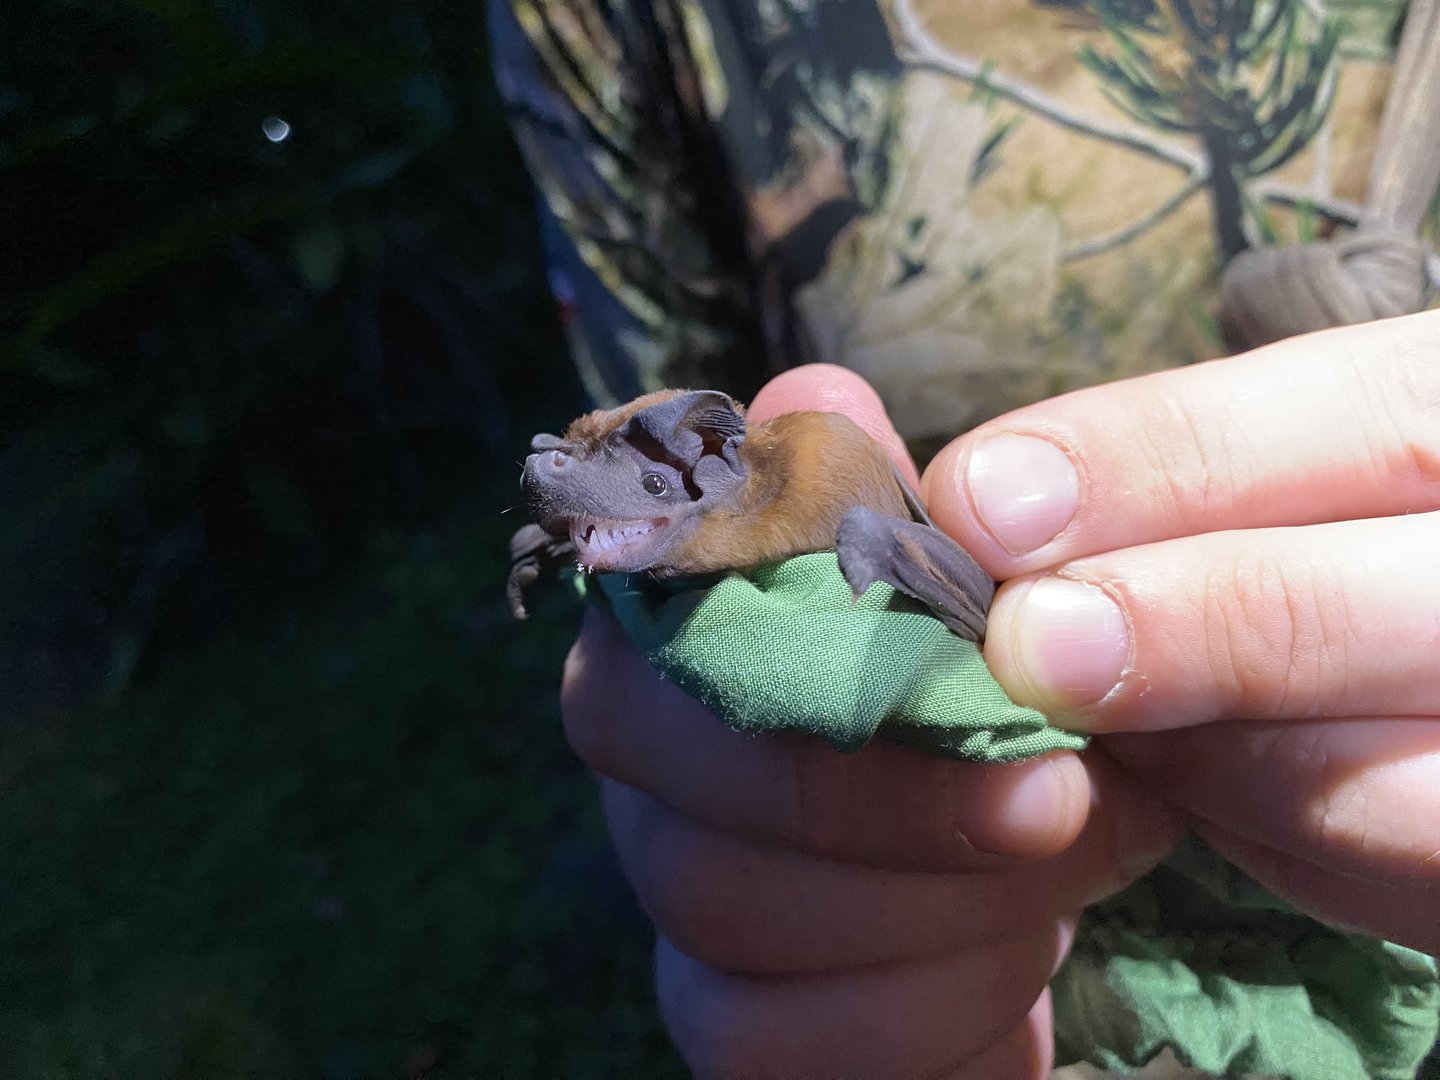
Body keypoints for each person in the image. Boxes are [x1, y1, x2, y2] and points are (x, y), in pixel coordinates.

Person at [492, 0, 1440, 1074]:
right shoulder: (631, 30)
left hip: (934, 548)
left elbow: (853, 526)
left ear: (710, 461)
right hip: (984, 901)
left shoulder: (773, 486)